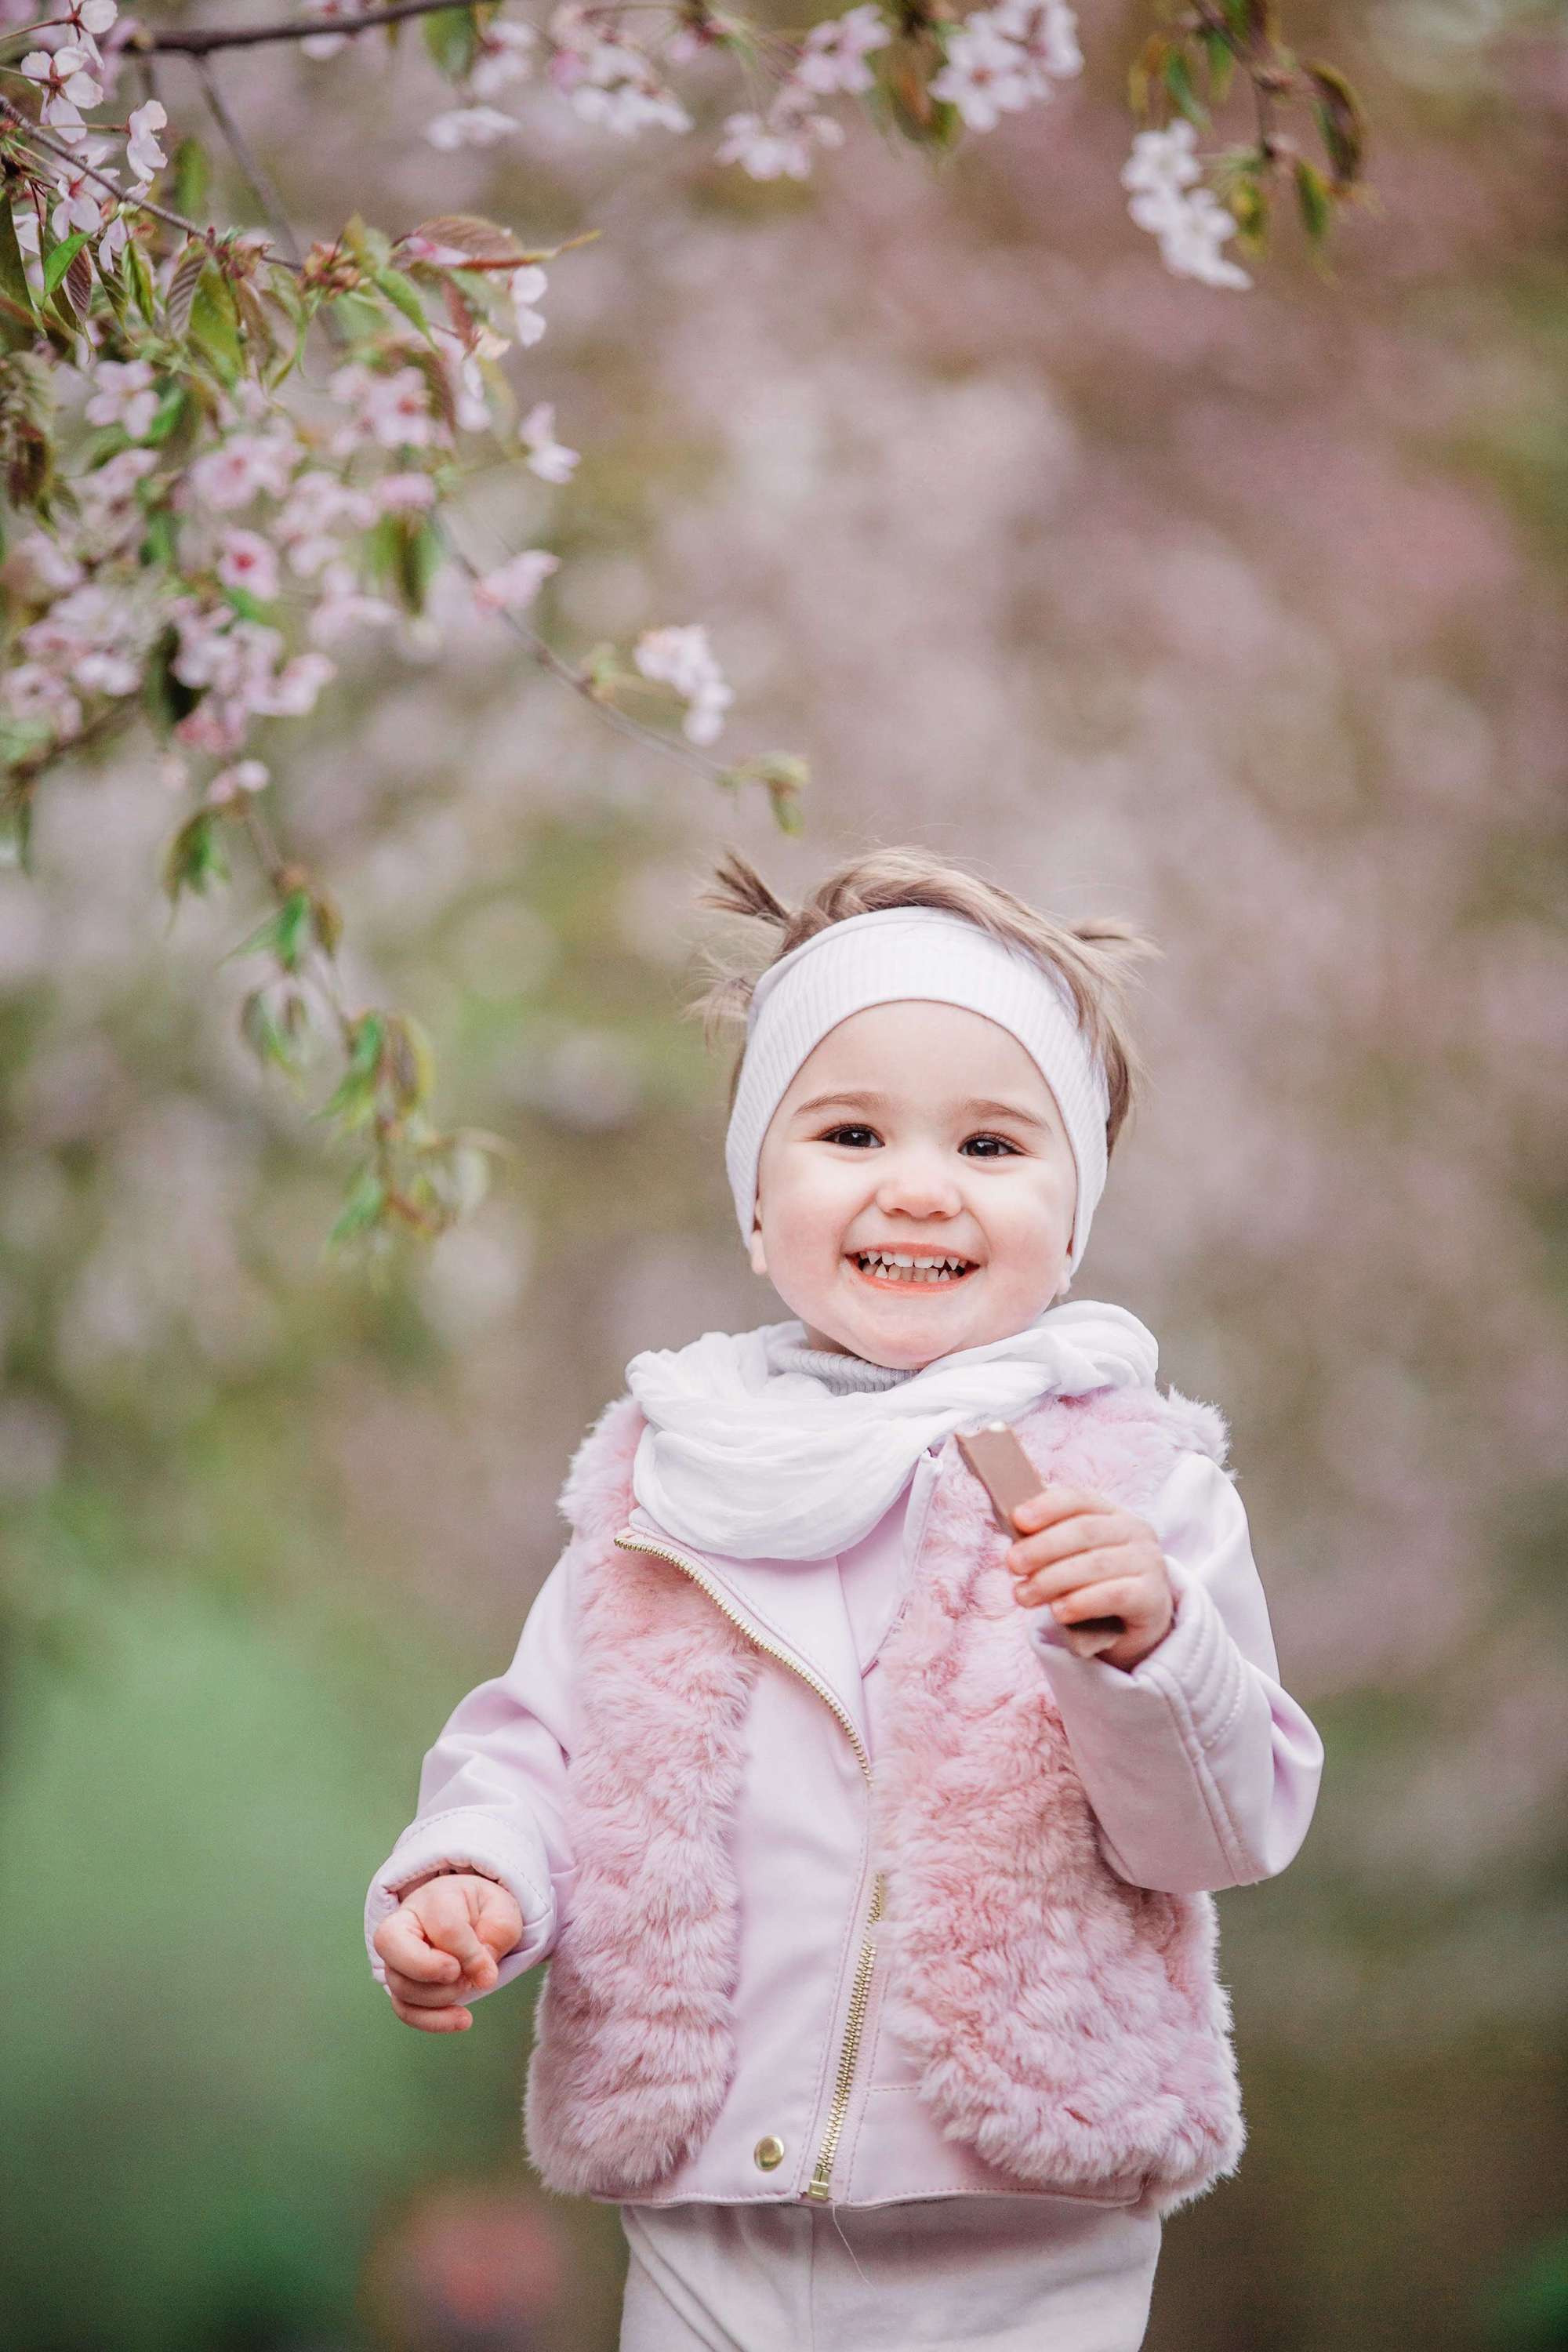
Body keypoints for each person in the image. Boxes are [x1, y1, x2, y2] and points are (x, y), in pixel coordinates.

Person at [365, 845, 1325, 2352]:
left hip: (1018, 2218)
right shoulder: (669, 1479)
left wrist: (1151, 1650)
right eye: (852, 1131)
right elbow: (542, 1748)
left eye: (993, 1144)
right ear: (759, 1204)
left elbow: (1223, 1830)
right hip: (710, 2207)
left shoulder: (1132, 1486)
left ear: (1074, 1220)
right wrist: (475, 1870)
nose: (919, 1186)